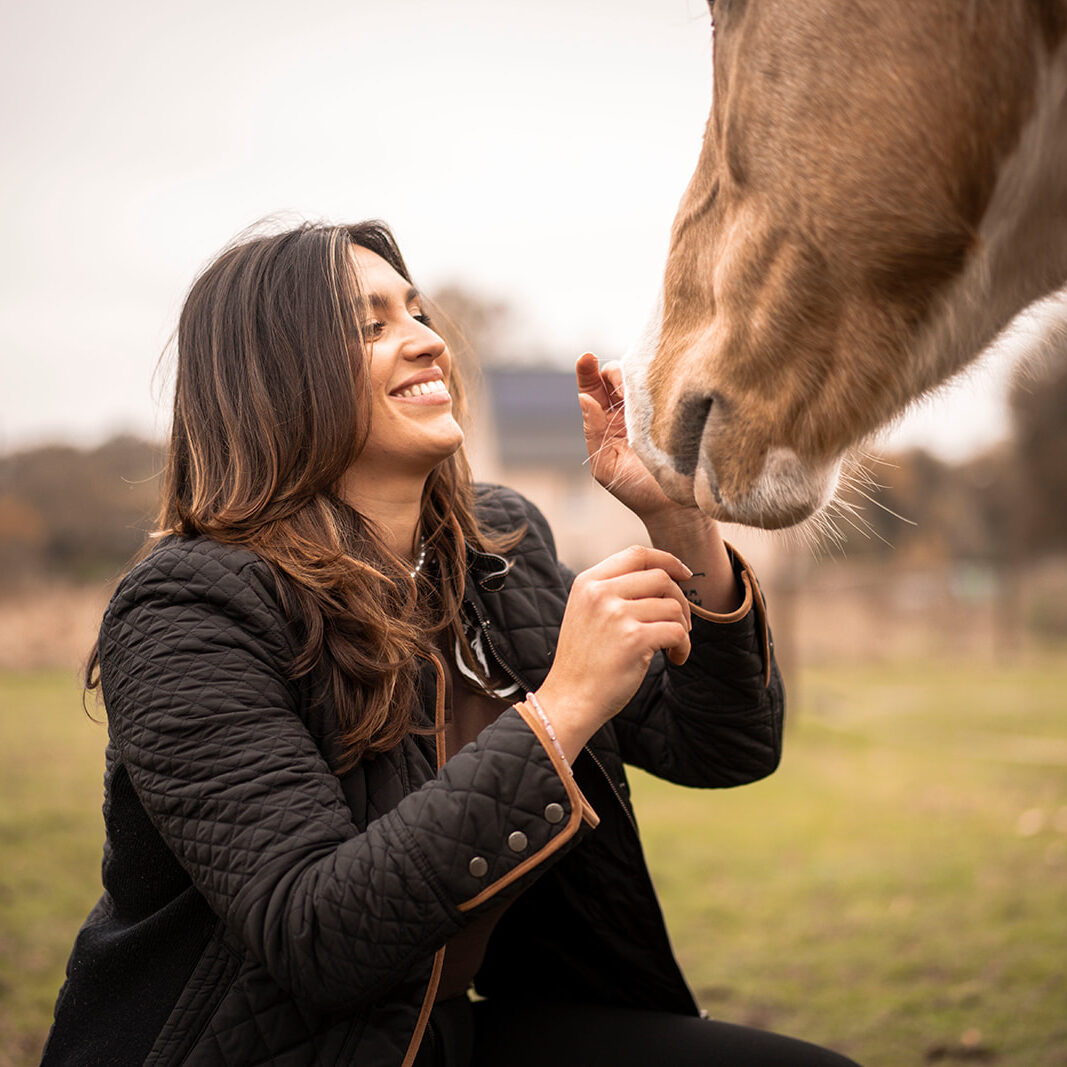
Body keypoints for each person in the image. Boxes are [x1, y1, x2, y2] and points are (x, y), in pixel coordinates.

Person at [42, 221, 860, 1066]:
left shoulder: (497, 546)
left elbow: (727, 745)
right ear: (273, 378)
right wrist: (562, 708)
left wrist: (678, 517)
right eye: (371, 326)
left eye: (418, 313)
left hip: (441, 1026)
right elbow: (316, 932)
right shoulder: (185, 609)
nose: (427, 341)